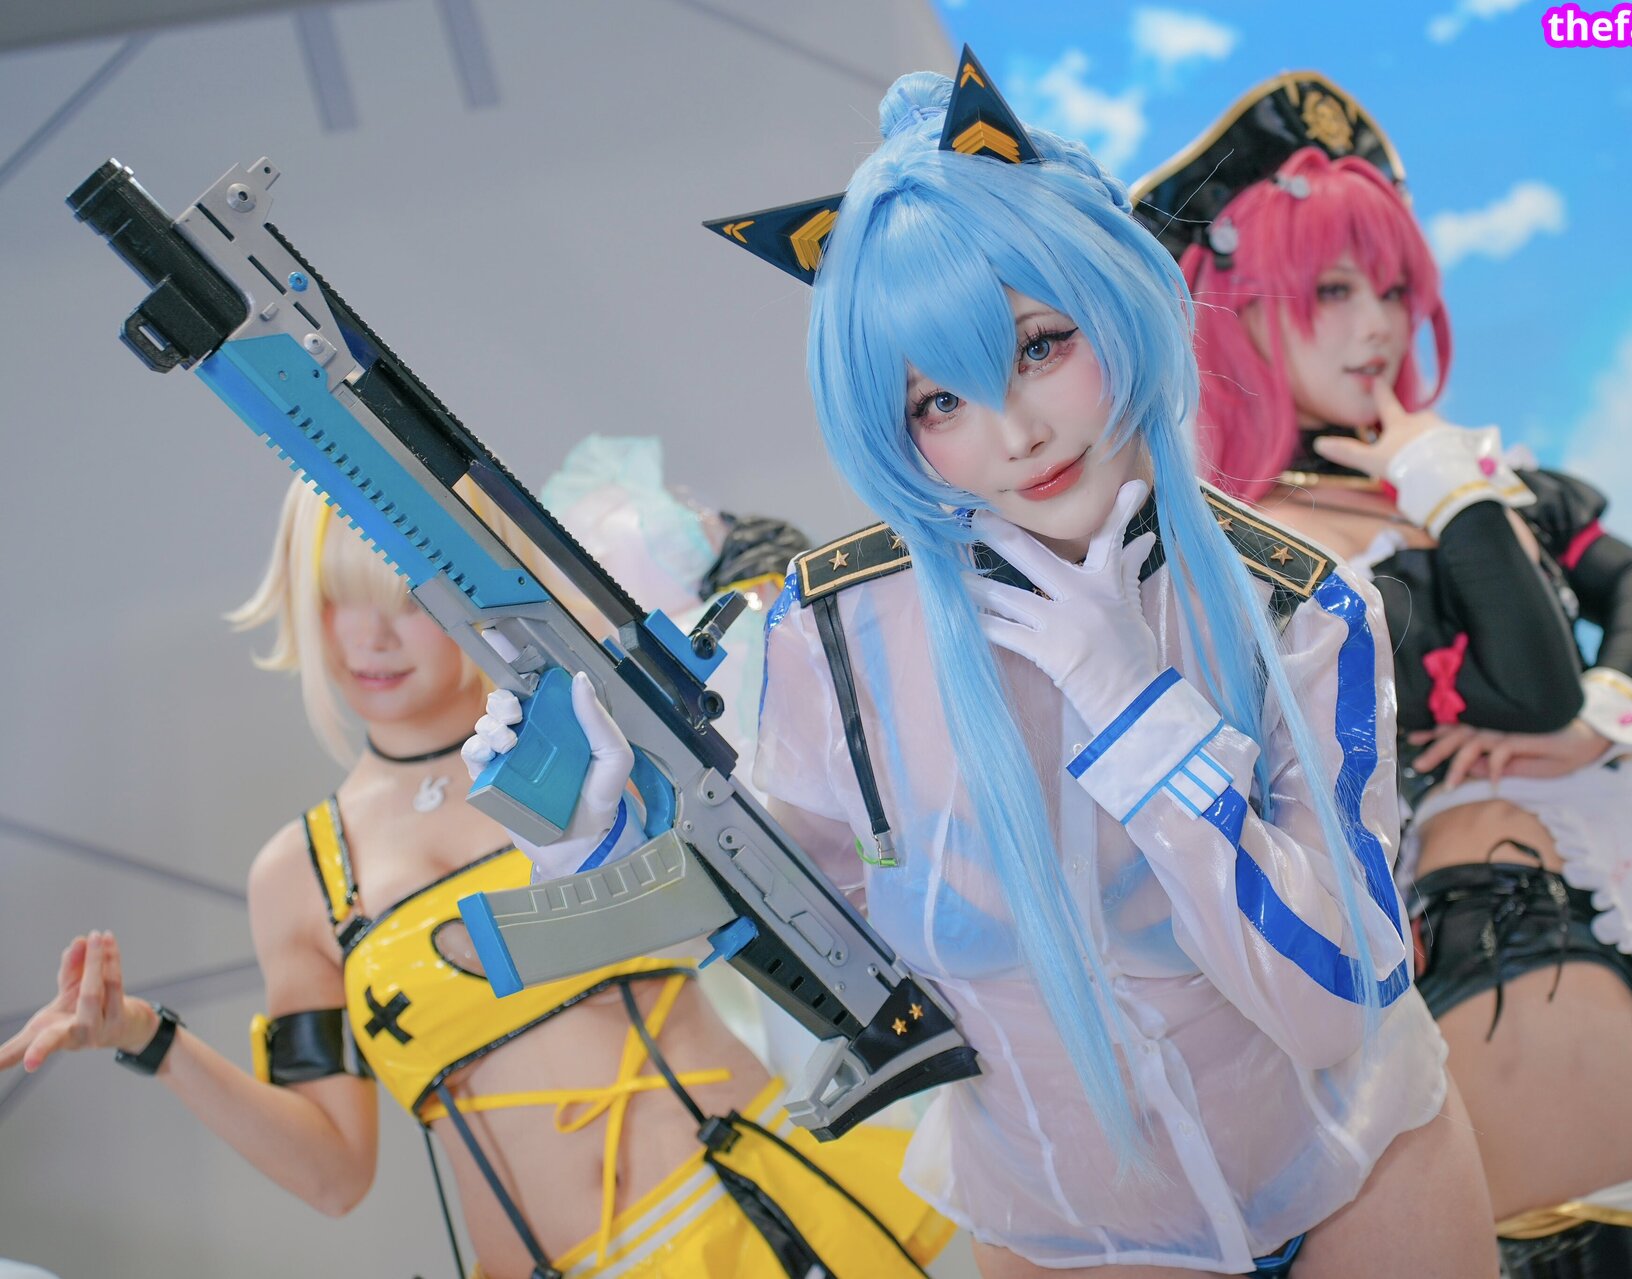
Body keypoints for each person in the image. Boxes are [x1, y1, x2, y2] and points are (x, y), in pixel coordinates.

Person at [468, 51, 1495, 1278]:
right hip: (1067, 1239)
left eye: (1039, 347)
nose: (1013, 432)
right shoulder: (836, 639)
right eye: (937, 404)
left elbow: (1334, 1004)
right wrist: (611, 840)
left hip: (1362, 1178)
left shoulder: (1300, 605)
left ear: (1115, 302)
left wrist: (1138, 712)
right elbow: (813, 935)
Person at [1138, 70, 1632, 1277]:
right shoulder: (1250, 549)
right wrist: (1451, 493)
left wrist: (1603, 723)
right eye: (1331, 291)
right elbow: (1529, 688)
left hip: (1607, 940)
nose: (1376, 327)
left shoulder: (1470, 477)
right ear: (1235, 311)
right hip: (1489, 949)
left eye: (1390, 289)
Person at [0, 478, 951, 1279]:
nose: (372, 637)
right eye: (336, 597)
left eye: (410, 596)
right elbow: (335, 1172)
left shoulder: (597, 738)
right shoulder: (301, 874)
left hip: (767, 1227)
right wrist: (150, 1039)